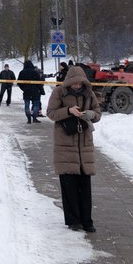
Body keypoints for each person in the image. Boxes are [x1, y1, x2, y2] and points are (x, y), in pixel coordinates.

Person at [46, 65, 102, 233]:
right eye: (75, 83)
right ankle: (73, 221)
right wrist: (69, 111)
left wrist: (90, 115)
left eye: (80, 83)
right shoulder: (59, 92)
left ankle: (87, 221)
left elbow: (98, 113)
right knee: (68, 184)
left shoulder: (89, 93)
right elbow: (51, 113)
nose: (77, 86)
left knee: (85, 185)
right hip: (65, 142)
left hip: (84, 143)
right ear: (69, 81)